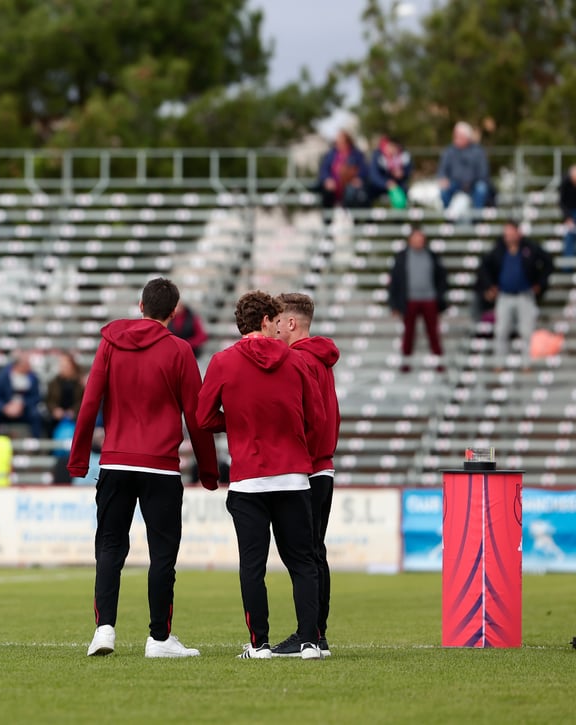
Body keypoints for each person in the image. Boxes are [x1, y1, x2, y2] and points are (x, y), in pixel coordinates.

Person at [68, 277, 220, 659]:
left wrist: (79, 459)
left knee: (109, 547)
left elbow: (89, 402)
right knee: (163, 554)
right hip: (161, 467)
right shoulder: (180, 350)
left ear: (140, 305)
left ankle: (104, 630)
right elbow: (197, 415)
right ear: (174, 312)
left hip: (116, 461)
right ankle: (159, 638)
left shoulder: (110, 343)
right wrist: (209, 470)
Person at [196, 291, 324, 661]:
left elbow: (203, 418)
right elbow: (315, 417)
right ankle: (310, 642)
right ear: (266, 320)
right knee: (302, 562)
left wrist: (237, 421)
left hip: (249, 479)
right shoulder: (295, 360)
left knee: (252, 566)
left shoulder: (223, 361)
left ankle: (259, 644)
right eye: (275, 320)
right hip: (293, 477)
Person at [274, 293, 341, 658]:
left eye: (277, 321)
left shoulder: (299, 360)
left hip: (307, 467)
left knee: (302, 555)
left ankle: (309, 635)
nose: (273, 328)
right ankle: (317, 633)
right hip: (322, 465)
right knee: (315, 552)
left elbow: (304, 416)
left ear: (291, 323)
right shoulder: (321, 358)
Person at [478, 221, 554, 372]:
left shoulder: (530, 247)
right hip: (504, 296)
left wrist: (540, 283)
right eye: (506, 233)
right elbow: (484, 268)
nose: (508, 235)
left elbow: (548, 263)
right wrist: (490, 285)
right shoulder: (498, 249)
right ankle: (499, 364)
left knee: (526, 331)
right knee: (501, 331)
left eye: (511, 232)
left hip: (524, 295)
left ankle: (526, 365)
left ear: (518, 233)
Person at [387, 227, 450, 373]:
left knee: (433, 333)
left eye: (421, 238)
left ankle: (439, 363)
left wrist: (439, 296)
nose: (419, 241)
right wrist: (394, 304)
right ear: (410, 240)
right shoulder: (402, 257)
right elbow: (395, 281)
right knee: (408, 334)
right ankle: (406, 363)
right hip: (410, 300)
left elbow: (442, 276)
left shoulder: (432, 255)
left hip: (429, 299)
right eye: (416, 238)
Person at [437, 122, 492, 210]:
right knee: (444, 190)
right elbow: (442, 171)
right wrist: (443, 178)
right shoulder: (449, 151)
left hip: (473, 184)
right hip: (454, 184)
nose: (455, 138)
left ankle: (477, 217)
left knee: (481, 188)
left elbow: (483, 173)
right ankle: (449, 216)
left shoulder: (478, 151)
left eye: (459, 136)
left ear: (466, 137)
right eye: (455, 135)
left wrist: (469, 182)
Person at [316, 130, 369, 217]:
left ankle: (349, 216)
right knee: (327, 193)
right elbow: (324, 169)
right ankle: (327, 219)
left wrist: (358, 178)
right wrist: (327, 179)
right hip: (334, 185)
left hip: (349, 185)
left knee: (352, 192)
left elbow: (364, 169)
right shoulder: (330, 154)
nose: (339, 144)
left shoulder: (356, 154)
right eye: (338, 142)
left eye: (342, 142)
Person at [0, 355, 43, 438]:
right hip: (6, 409)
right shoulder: (3, 377)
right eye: (26, 365)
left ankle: (35, 440)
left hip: (25, 409)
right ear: (18, 366)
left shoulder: (33, 378)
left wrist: (23, 404)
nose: (29, 367)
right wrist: (5, 407)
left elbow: (36, 397)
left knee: (36, 415)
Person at [45, 352, 85, 434]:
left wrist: (74, 411)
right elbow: (49, 400)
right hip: (57, 415)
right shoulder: (53, 383)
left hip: (76, 415)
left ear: (72, 367)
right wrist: (55, 410)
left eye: (66, 366)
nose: (63, 368)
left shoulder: (80, 383)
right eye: (61, 366)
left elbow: (82, 400)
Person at [367, 136, 412, 207]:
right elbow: (374, 176)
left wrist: (403, 173)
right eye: (391, 146)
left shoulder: (403, 156)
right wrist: (386, 183)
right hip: (379, 187)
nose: (392, 149)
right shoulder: (378, 156)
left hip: (398, 186)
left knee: (401, 195)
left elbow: (408, 170)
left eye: (395, 147)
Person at [559, 164, 576, 259]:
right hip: (570, 213)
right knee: (569, 235)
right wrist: (567, 217)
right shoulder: (565, 183)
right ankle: (568, 264)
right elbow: (561, 202)